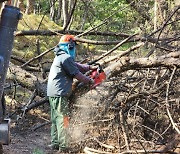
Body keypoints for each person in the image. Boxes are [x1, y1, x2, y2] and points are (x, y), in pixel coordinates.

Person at [47, 34, 96, 152]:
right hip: (59, 92)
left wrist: (90, 67)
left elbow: (77, 66)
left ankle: (55, 143)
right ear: (69, 45)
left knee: (55, 119)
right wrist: (89, 80)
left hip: (53, 92)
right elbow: (76, 73)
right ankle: (64, 146)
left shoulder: (60, 56)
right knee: (63, 119)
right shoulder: (65, 58)